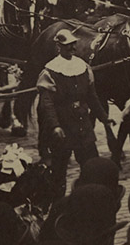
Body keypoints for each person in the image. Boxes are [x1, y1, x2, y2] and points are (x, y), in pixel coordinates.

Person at [37, 28, 112, 198]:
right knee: (59, 171)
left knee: (92, 166)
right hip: (63, 129)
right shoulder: (50, 71)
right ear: (58, 47)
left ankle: (89, 198)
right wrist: (55, 126)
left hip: (83, 128)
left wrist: (104, 118)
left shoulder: (83, 67)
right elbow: (46, 104)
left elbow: (92, 97)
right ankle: (57, 203)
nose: (72, 48)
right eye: (67, 45)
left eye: (73, 44)